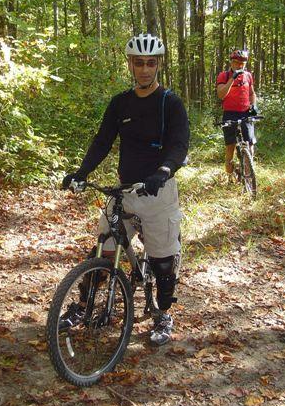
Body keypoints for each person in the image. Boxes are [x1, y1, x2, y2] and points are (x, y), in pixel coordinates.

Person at [62, 33, 190, 345]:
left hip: (158, 192)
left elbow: (179, 144)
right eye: (138, 63)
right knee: (103, 251)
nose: (144, 69)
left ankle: (162, 314)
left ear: (157, 64)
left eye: (150, 63)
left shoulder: (169, 103)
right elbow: (102, 141)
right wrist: (82, 172)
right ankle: (82, 306)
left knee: (162, 262)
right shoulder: (120, 103)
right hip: (125, 192)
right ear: (130, 64)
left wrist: (163, 170)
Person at [216, 49, 258, 180]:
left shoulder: (248, 76)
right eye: (236, 62)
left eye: (242, 63)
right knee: (230, 148)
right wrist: (232, 80)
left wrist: (253, 105)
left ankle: (248, 177)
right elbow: (221, 94)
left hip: (245, 113)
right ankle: (229, 176)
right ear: (231, 62)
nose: (239, 65)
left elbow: (251, 93)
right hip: (229, 114)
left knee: (250, 146)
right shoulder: (224, 76)